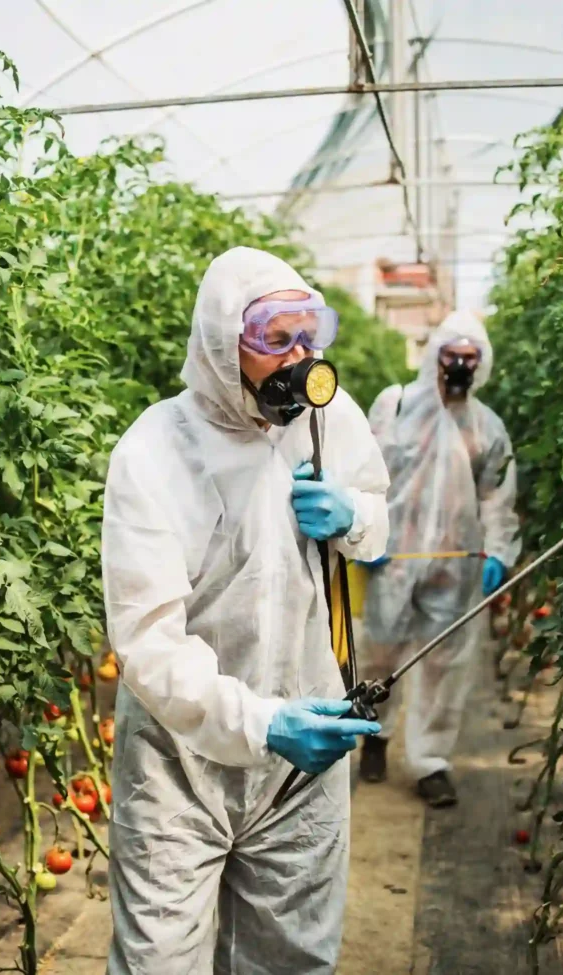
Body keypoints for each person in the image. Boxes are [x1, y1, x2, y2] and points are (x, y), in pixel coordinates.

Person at [101, 246, 390, 974]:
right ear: (220, 344)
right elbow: (147, 641)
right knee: (159, 959)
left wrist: (353, 514)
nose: (298, 357)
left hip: (303, 746)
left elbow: (379, 521)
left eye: (308, 334)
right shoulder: (154, 451)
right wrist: (262, 723)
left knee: (290, 957)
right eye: (274, 339)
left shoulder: (331, 418)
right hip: (179, 758)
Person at [357, 310, 520, 808]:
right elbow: (363, 469)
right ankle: (375, 737)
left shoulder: (487, 427)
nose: (460, 366)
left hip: (455, 563)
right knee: (380, 651)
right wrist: (362, 529)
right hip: (394, 556)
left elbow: (497, 497)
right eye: (453, 356)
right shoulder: (396, 404)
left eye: (470, 358)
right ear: (435, 355)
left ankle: (431, 762)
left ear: (482, 362)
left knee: (443, 663)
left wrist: (498, 552)